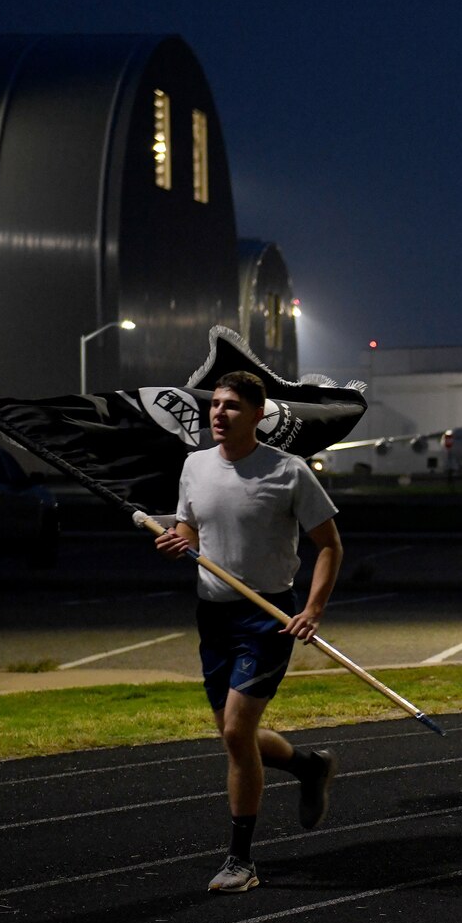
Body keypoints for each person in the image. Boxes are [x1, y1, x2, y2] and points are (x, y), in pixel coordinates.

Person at [154, 371, 342, 894]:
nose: (218, 413)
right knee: (233, 738)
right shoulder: (194, 466)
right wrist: (179, 539)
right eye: (214, 404)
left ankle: (241, 860)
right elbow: (192, 525)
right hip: (213, 614)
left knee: (237, 733)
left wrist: (314, 608)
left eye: (232, 406)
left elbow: (329, 545)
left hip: (269, 617)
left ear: (259, 414)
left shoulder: (289, 472)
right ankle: (309, 766)